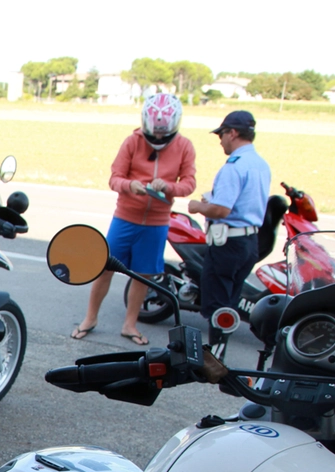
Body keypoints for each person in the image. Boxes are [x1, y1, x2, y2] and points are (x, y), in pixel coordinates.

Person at [73, 93, 196, 346]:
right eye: (154, 135)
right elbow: (114, 178)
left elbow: (189, 183)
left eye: (164, 134)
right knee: (105, 268)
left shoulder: (185, 146)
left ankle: (130, 324)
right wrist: (131, 186)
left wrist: (170, 187)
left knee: (143, 275)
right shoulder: (132, 141)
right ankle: (90, 318)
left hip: (157, 222)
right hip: (125, 218)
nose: (158, 139)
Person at [188, 110, 272, 361]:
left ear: (233, 133)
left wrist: (198, 206)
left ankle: (215, 358)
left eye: (222, 134)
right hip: (248, 241)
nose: (220, 140)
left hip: (228, 243)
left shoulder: (233, 167)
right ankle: (219, 352)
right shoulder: (260, 164)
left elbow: (222, 210)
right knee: (230, 300)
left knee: (217, 305)